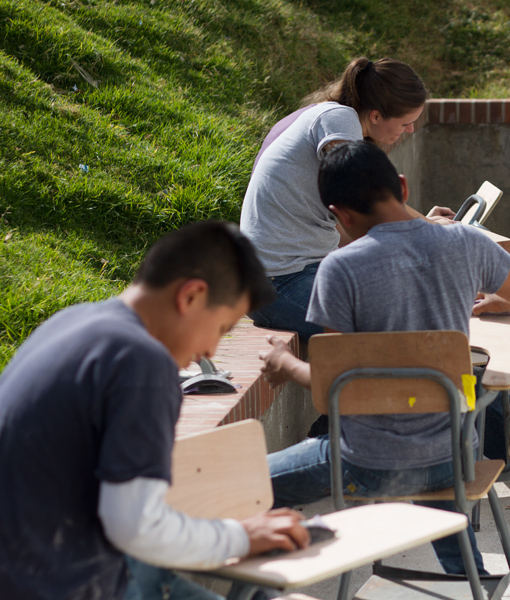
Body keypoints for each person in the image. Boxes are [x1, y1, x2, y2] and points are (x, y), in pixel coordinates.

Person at [258, 141, 510, 575]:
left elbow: (334, 384)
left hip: (369, 462)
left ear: (339, 215)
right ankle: (470, 578)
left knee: (248, 486)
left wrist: (286, 364)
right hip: (455, 452)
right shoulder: (467, 242)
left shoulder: (339, 269)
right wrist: (498, 300)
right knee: (449, 526)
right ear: (402, 187)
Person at [0, 221, 310, 600]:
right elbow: (135, 525)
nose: (211, 350)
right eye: (221, 328)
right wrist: (241, 537)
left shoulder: (74, 321)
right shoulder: (142, 362)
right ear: (191, 296)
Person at [240, 56, 454, 342]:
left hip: (297, 273)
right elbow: (365, 194)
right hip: (278, 284)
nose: (411, 130)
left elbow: (347, 226)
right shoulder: (338, 118)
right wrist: (429, 228)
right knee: (399, 328)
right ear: (375, 116)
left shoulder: (326, 117)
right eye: (406, 123)